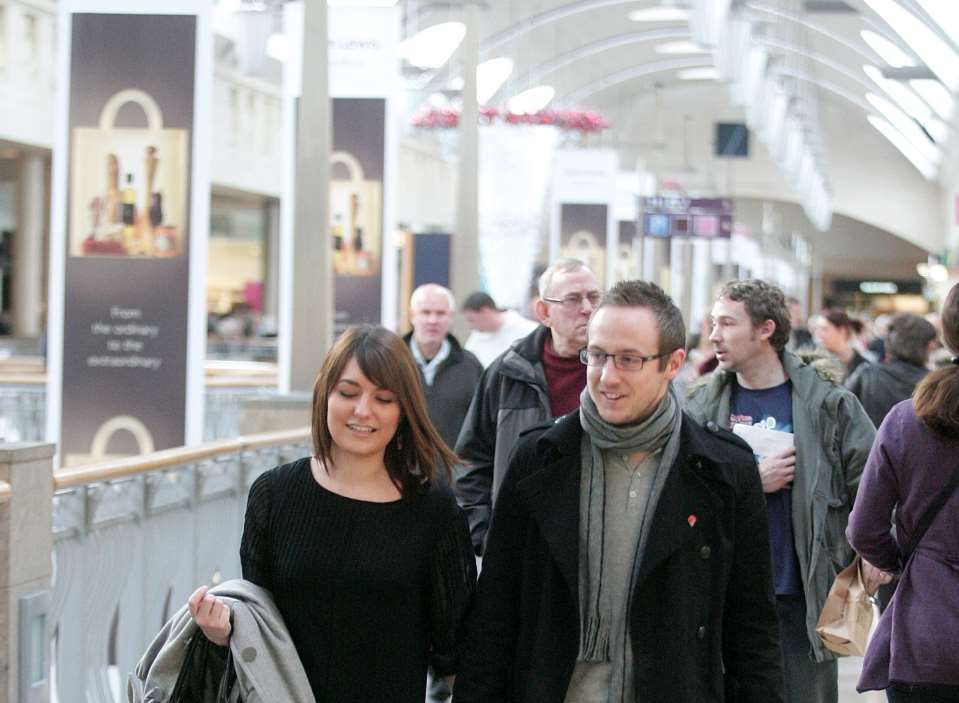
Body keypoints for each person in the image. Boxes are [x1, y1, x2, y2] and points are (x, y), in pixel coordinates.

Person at [453, 280, 785, 703]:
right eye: (597, 356)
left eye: (629, 360)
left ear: (672, 364)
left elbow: (751, 627)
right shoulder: (539, 460)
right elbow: (496, 611)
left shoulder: (722, 471)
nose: (607, 377)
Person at [188, 325, 477, 702]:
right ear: (325, 394)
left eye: (384, 398)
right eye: (348, 393)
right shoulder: (274, 495)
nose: (363, 411)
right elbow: (257, 626)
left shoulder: (435, 511)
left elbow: (456, 651)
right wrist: (221, 632)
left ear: (404, 410)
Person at [687, 279, 875, 703]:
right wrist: (754, 481)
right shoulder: (699, 405)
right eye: (713, 323)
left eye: (727, 323)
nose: (713, 335)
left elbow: (872, 482)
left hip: (799, 595)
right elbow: (681, 490)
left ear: (765, 329)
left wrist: (870, 557)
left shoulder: (828, 403)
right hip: (722, 593)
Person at [847, 282, 959, 703]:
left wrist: (908, 562)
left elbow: (863, 528)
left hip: (923, 640)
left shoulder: (906, 419)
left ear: (946, 334)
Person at [454, 258, 600, 554]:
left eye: (594, 297)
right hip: (520, 548)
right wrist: (485, 534)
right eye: (572, 299)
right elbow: (471, 461)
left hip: (596, 548)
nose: (587, 308)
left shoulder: (618, 372)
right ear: (544, 312)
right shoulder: (506, 374)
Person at [405, 283, 483, 450]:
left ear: (451, 317)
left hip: (453, 471)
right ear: (412, 315)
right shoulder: (392, 362)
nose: (432, 320)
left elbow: (481, 427)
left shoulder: (470, 367)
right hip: (397, 471)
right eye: (425, 312)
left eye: (440, 313)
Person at [845, 313, 937, 427]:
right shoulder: (936, 384)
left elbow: (840, 412)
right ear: (928, 345)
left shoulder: (867, 373)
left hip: (872, 444)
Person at [462, 291, 539, 368]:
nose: (470, 326)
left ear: (485, 311)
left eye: (471, 320)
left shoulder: (527, 330)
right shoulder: (475, 338)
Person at [813, 308, 869, 381]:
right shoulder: (814, 363)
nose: (819, 334)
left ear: (842, 330)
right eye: (817, 329)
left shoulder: (864, 366)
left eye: (825, 329)